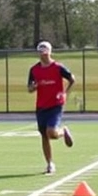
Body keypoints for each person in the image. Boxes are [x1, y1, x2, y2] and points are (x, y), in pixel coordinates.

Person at [28, 40, 75, 174]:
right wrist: (33, 87)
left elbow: (72, 79)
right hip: (41, 106)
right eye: (41, 52)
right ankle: (49, 164)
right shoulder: (34, 70)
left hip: (55, 105)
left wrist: (65, 92)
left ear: (49, 52)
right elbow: (30, 88)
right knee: (44, 135)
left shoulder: (58, 67)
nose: (43, 55)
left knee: (52, 133)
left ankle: (63, 131)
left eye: (45, 52)